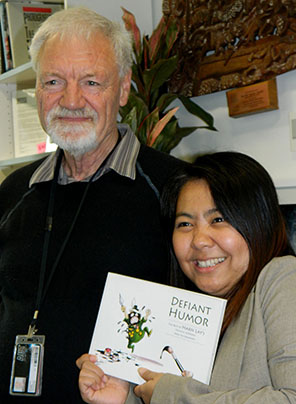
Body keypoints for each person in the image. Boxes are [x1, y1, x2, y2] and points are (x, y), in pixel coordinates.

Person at [0, 7, 186, 403]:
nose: (71, 100)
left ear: (122, 89)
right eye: (53, 81)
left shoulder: (175, 190)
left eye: (90, 82)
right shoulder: (14, 191)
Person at [77, 151, 296, 403]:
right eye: (185, 224)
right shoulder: (189, 315)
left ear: (259, 221)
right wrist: (127, 397)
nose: (199, 241)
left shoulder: (282, 276)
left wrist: (168, 394)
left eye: (218, 219)